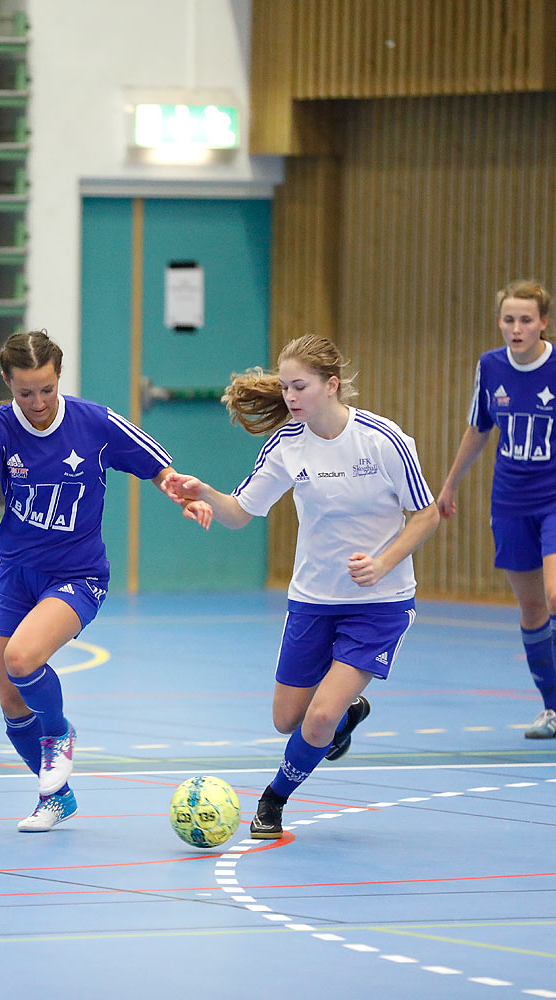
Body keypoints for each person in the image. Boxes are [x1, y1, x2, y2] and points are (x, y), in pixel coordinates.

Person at [164, 334, 439, 840]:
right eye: (285, 387)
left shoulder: (383, 440)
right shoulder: (288, 443)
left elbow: (426, 514)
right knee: (287, 719)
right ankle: (348, 712)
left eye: (300, 386)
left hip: (379, 602)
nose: (290, 397)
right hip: (313, 599)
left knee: (318, 720)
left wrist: (382, 563)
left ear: (331, 386)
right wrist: (204, 491)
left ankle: (273, 800)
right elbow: (242, 513)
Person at [0, 330, 209, 833]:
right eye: (24, 391)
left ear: (59, 378)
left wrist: (181, 492)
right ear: (7, 382)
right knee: (11, 699)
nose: (36, 402)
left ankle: (58, 735)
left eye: (46, 389)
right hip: (15, 574)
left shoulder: (93, 422)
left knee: (22, 659)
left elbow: (158, 468)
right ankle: (57, 797)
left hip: (77, 574)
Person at [435, 279, 556, 751]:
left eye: (526, 320)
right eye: (509, 319)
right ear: (500, 322)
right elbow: (478, 429)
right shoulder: (490, 367)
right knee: (532, 606)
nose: (517, 328)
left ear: (544, 323)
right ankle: (552, 709)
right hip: (510, 501)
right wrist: (451, 483)